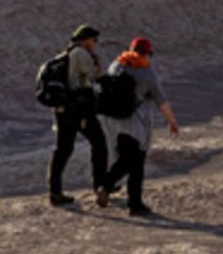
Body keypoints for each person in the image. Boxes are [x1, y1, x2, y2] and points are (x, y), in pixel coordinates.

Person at [96, 36, 180, 218]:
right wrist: (172, 121)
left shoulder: (116, 64)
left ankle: (111, 188)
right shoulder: (146, 72)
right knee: (135, 163)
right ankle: (132, 202)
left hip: (113, 121)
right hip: (134, 124)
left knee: (127, 159)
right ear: (147, 53)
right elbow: (161, 100)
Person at [47, 24, 108, 206]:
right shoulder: (81, 54)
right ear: (85, 39)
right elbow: (93, 75)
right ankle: (101, 185)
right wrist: (96, 63)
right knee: (99, 144)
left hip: (62, 109)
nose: (94, 43)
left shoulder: (65, 54)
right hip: (79, 109)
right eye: (93, 40)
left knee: (63, 150)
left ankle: (55, 191)